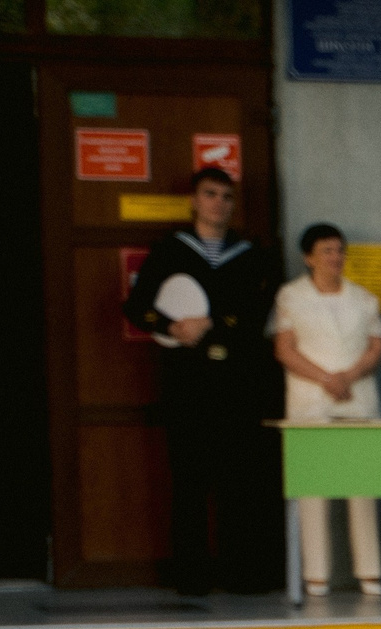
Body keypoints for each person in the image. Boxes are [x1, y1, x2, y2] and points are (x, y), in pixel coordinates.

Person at [120, 167, 277, 596]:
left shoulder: (251, 253)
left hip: (237, 383)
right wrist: (173, 328)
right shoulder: (170, 250)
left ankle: (241, 574)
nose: (218, 204)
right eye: (210, 194)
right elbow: (136, 307)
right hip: (186, 382)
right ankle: (190, 577)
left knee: (238, 481)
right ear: (193, 200)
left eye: (226, 196)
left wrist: (213, 325)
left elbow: (256, 312)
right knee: (188, 481)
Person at [270, 223, 381, 597]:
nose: (334, 258)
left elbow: (376, 346)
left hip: (357, 400)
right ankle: (315, 576)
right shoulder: (290, 296)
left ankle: (369, 572)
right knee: (313, 489)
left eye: (338, 250)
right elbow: (284, 349)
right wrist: (326, 379)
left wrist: (348, 376)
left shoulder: (363, 298)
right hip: (310, 401)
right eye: (326, 251)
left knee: (362, 487)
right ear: (308, 257)